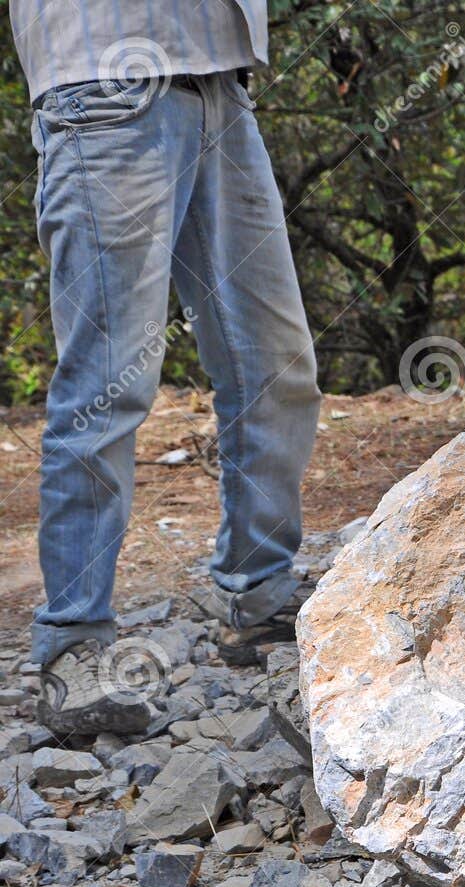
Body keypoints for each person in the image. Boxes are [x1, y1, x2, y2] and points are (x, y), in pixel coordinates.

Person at [10, 1, 321, 736]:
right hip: (105, 77)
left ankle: (259, 595)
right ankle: (75, 644)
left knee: (276, 365)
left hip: (220, 82)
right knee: (108, 382)